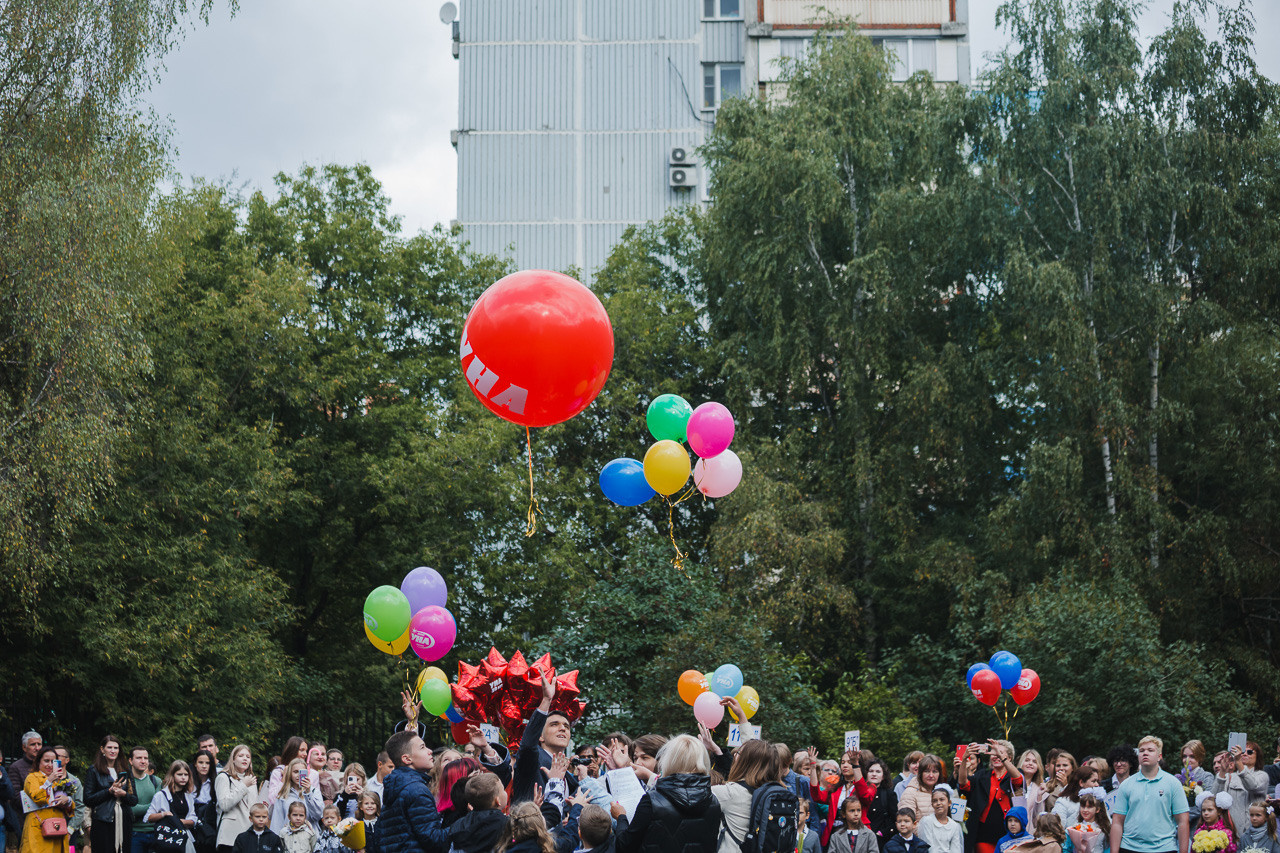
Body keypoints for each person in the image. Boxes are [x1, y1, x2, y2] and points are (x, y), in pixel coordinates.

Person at [611, 734, 721, 853]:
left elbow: (624, 845)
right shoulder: (713, 801)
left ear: (668, 759)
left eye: (645, 757)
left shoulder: (652, 800)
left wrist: (621, 817)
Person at [1109, 736, 1189, 853]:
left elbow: (1183, 821)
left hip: (1164, 848)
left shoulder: (1173, 783)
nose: (1145, 753)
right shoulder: (1126, 784)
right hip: (1129, 847)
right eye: (1142, 750)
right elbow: (1117, 823)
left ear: (1159, 756)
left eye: (1150, 750)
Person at [376, 731, 448, 853]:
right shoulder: (416, 790)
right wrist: (465, 824)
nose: (430, 751)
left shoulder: (397, 784)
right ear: (407, 759)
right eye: (422, 747)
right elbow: (433, 839)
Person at [958, 740, 1024, 853]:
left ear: (1009, 758)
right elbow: (963, 784)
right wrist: (964, 759)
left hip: (1009, 833)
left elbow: (1019, 780)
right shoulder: (981, 775)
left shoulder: (1013, 774)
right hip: (984, 835)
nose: (996, 756)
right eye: (994, 753)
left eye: (1000, 753)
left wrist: (1002, 757)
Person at [86, 736, 138, 853]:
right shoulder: (93, 770)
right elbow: (88, 799)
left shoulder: (126, 770)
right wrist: (109, 792)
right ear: (102, 749)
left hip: (124, 820)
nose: (113, 751)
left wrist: (123, 794)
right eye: (109, 747)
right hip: (103, 820)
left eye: (116, 748)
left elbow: (134, 800)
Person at [21, 745, 74, 853]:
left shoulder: (59, 780)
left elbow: (71, 810)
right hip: (38, 828)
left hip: (57, 829)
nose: (50, 765)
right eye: (46, 761)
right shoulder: (32, 777)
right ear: (38, 762)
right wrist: (49, 781)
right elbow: (37, 798)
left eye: (53, 761)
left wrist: (67, 800)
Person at [145, 761, 199, 853]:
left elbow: (193, 818)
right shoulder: (161, 795)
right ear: (172, 775)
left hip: (184, 838)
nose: (183, 777)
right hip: (167, 839)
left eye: (186, 775)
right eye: (179, 774)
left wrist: (179, 822)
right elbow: (148, 818)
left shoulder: (188, 796)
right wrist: (164, 814)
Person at [447, 773, 507, 853]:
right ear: (497, 800)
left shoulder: (458, 826)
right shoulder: (506, 825)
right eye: (503, 790)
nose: (505, 792)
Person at [215, 745, 259, 853]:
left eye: (248, 757)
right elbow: (224, 804)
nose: (245, 759)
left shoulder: (251, 780)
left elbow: (253, 807)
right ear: (233, 759)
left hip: (249, 834)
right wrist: (243, 785)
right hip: (229, 836)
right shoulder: (223, 777)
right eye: (241, 756)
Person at [1214, 747, 1268, 833]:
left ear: (1257, 757)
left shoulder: (1262, 775)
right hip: (1233, 832)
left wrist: (1239, 763)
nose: (1244, 754)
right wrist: (1222, 771)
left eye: (1249, 752)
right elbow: (1215, 799)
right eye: (1242, 752)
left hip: (1256, 832)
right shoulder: (1229, 777)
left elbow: (1252, 786)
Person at [52, 745, 89, 851]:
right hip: (49, 825)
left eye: (59, 756)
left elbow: (80, 807)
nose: (55, 758)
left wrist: (70, 830)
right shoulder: (46, 779)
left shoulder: (74, 781)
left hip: (69, 827)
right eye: (54, 755)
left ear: (67, 760)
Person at [269, 762, 322, 834]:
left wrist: (308, 794)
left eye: (301, 772)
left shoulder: (314, 792)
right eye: (295, 772)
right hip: (288, 837)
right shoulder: (283, 794)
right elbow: (277, 823)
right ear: (290, 773)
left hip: (310, 837)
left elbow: (318, 815)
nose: (298, 775)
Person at [130, 748, 164, 853]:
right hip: (134, 833)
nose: (143, 761)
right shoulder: (126, 782)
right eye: (139, 758)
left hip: (155, 832)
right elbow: (132, 810)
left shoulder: (156, 781)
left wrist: (143, 807)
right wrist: (152, 806)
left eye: (145, 758)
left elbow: (159, 806)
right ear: (131, 761)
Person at [901, 755, 945, 829]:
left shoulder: (943, 792)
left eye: (935, 771)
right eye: (927, 771)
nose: (931, 775)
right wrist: (930, 834)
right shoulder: (910, 793)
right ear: (920, 773)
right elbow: (906, 822)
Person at [1177, 742, 1213, 826]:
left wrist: (1181, 818)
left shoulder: (1206, 777)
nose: (1187, 760)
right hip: (1178, 826)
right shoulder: (1179, 778)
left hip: (1198, 825)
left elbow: (1206, 805)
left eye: (1192, 756)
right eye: (1184, 756)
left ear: (1199, 758)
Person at [918, 788, 962, 853]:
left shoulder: (954, 826)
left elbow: (956, 849)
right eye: (935, 801)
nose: (938, 803)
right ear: (932, 804)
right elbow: (929, 846)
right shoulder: (927, 821)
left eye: (942, 799)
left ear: (949, 803)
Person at [1018, 751, 1051, 827]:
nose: (1030, 763)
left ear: (1038, 767)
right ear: (1021, 763)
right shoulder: (1011, 784)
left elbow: (1038, 821)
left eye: (1034, 762)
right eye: (1027, 760)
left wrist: (1039, 796)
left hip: (1029, 831)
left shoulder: (1041, 790)